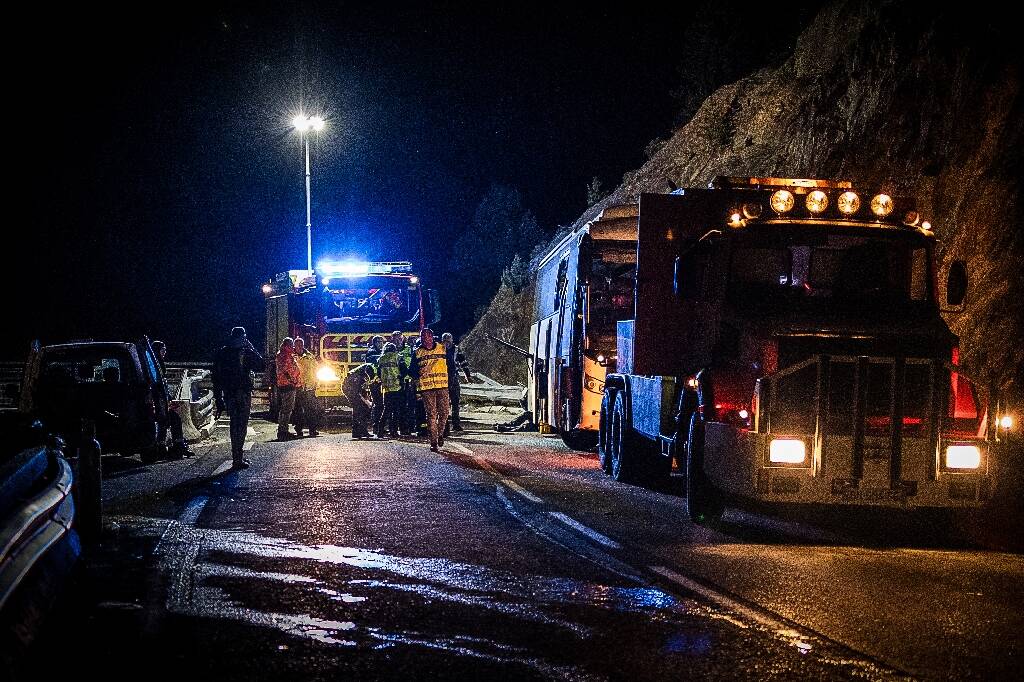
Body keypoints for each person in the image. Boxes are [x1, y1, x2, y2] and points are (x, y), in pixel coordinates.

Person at [212, 326, 263, 469]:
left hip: (229, 393)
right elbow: (261, 364)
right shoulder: (245, 352)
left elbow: (216, 377)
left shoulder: (222, 353)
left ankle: (237, 456)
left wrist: (218, 398)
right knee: (241, 426)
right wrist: (251, 347)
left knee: (234, 425)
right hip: (242, 393)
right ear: (243, 337)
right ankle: (237, 458)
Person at [151, 340, 194, 458]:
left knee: (168, 420)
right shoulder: (155, 366)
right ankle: (177, 446)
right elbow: (158, 387)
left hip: (160, 401)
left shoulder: (155, 365)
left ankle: (167, 446)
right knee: (172, 419)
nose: (164, 353)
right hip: (156, 402)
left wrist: (168, 399)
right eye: (163, 350)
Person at [410, 328, 449, 452]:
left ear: (432, 337)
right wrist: (417, 390)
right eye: (422, 337)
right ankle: (433, 442)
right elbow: (412, 372)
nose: (424, 339)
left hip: (442, 387)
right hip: (427, 389)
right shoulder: (417, 352)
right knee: (431, 415)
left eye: (427, 337)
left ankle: (440, 434)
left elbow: (451, 365)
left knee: (444, 414)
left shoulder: (442, 348)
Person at [440, 332, 473, 434]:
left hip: (453, 378)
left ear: (451, 340)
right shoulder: (438, 349)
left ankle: (456, 424)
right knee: (443, 403)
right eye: (445, 341)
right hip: (442, 379)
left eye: (448, 341)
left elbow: (463, 363)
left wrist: (468, 375)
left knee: (455, 402)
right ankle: (444, 425)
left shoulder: (456, 349)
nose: (447, 343)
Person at [375, 342, 406, 437]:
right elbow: (404, 371)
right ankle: (394, 431)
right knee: (396, 410)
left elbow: (378, 373)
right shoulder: (398, 357)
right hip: (397, 387)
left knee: (386, 410)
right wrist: (400, 378)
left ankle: (380, 430)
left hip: (386, 388)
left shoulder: (381, 359)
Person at [292, 337, 320, 437]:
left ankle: (312, 429)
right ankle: (299, 430)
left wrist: (316, 382)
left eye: (301, 344)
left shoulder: (309, 356)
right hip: (297, 386)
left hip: (309, 386)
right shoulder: (291, 356)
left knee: (311, 409)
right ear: (294, 346)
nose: (299, 346)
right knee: (298, 410)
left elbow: (316, 369)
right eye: (297, 345)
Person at [275, 338, 302, 440]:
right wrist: (293, 380)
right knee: (287, 409)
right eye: (291, 345)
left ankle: (283, 430)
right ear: (287, 345)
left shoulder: (282, 354)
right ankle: (283, 431)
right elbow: (286, 370)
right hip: (288, 384)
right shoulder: (285, 355)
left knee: (285, 409)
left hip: (285, 384)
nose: (293, 347)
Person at [342, 362, 376, 439]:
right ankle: (359, 432)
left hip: (351, 388)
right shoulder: (358, 377)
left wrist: (368, 400)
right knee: (359, 409)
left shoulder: (364, 371)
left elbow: (364, 390)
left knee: (360, 409)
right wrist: (367, 402)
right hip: (350, 389)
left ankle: (360, 432)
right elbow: (358, 393)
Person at [365, 335, 386, 434]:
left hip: (382, 381)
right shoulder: (371, 353)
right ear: (374, 343)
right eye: (378, 342)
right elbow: (373, 361)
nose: (380, 343)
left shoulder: (382, 352)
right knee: (378, 404)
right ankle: (376, 427)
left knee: (382, 405)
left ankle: (380, 426)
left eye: (381, 342)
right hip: (374, 382)